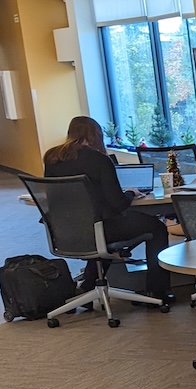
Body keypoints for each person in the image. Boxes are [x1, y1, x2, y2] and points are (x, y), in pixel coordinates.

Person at [42, 116, 173, 307]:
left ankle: (87, 287)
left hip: (65, 231)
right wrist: (130, 193)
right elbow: (118, 204)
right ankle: (157, 291)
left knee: (99, 230)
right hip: (99, 229)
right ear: (96, 135)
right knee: (157, 227)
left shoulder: (52, 158)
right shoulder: (99, 160)